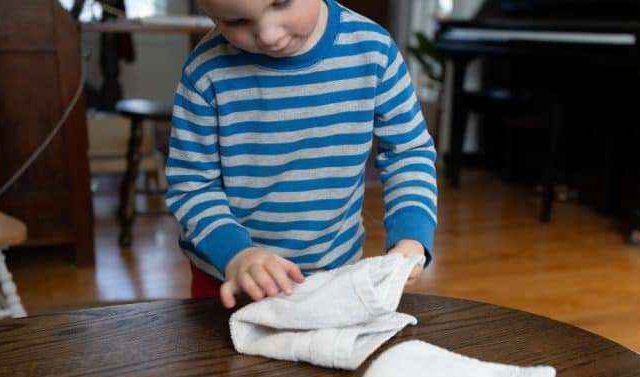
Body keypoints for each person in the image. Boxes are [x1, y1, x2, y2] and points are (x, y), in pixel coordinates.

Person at [165, 0, 438, 308]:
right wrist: (236, 253)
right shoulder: (204, 73)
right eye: (236, 22)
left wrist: (412, 235)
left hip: (335, 274)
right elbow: (192, 185)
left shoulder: (374, 51)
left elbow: (408, 153)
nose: (268, 35)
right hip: (228, 276)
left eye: (281, 3)